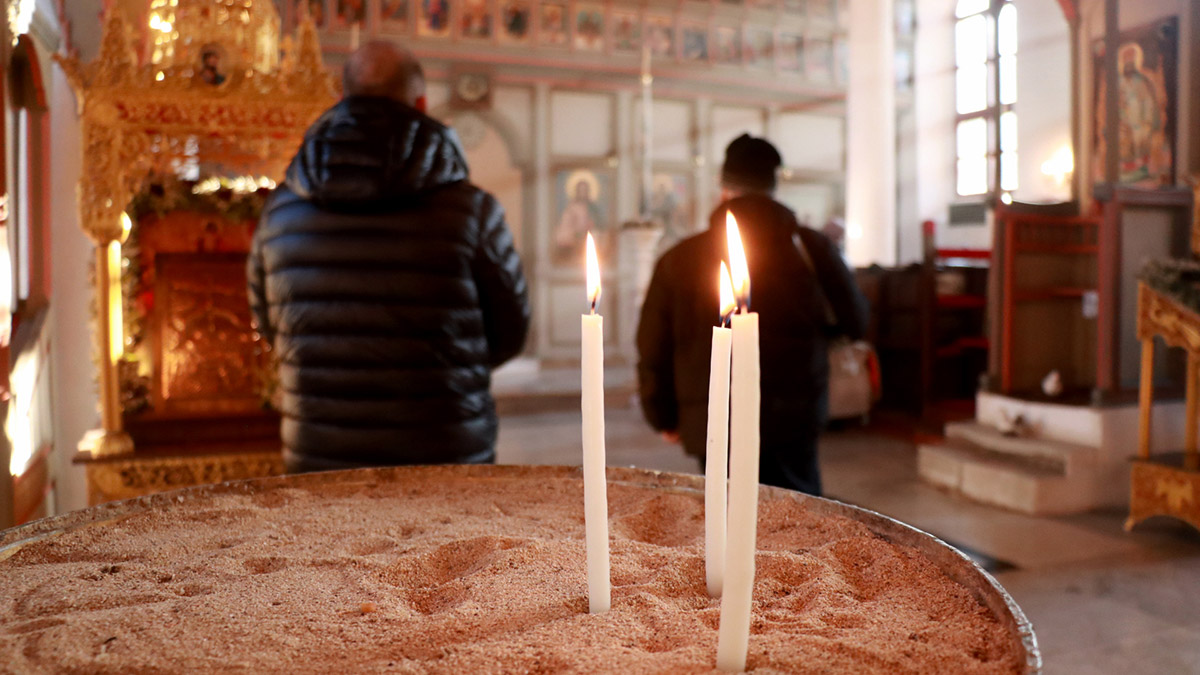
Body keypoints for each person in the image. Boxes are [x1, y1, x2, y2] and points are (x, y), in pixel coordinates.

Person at [248, 41, 530, 473]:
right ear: (421, 103)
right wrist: (444, 361)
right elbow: (510, 330)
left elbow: (270, 323)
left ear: (342, 100)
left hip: (322, 454)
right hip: (444, 451)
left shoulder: (281, 210)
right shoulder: (472, 211)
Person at [636, 134, 868, 496]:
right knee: (796, 517)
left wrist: (662, 414)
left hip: (712, 415)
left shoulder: (679, 258)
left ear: (722, 185)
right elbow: (856, 321)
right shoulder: (812, 247)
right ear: (774, 184)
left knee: (726, 513)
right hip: (795, 414)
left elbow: (653, 346)